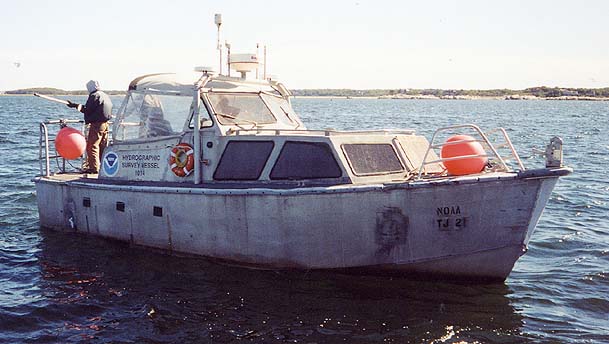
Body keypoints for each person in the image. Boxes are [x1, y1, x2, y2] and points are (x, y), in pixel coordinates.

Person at [66, 80, 113, 173]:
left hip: (97, 125)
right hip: (105, 124)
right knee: (102, 146)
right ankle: (103, 167)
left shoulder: (94, 96)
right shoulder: (104, 95)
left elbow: (87, 109)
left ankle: (94, 168)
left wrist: (75, 106)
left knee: (92, 146)